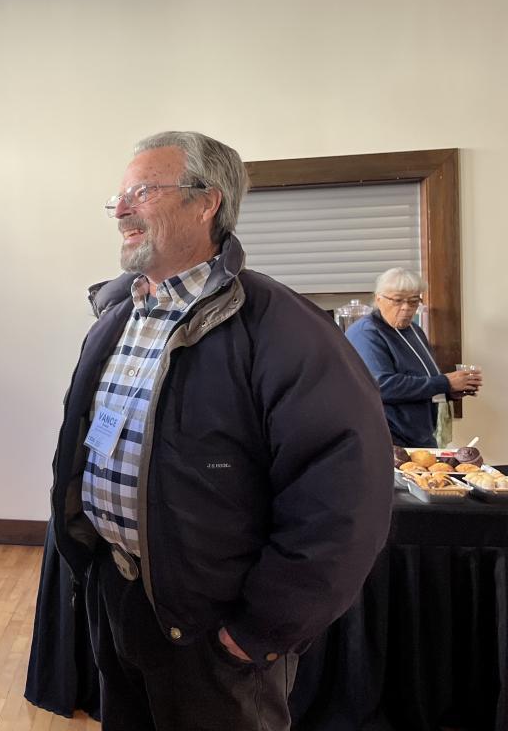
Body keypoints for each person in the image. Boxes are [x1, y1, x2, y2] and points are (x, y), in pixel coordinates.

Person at [47, 131, 393, 731]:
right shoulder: (115, 318)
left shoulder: (284, 329)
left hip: (216, 630)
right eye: (119, 196)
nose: (122, 209)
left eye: (143, 191)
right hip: (121, 598)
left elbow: (345, 497)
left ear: (206, 201)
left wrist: (260, 628)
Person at [345, 267, 482, 447]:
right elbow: (382, 386)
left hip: (419, 436)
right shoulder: (367, 333)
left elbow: (422, 379)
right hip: (387, 439)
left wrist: (448, 392)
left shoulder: (413, 330)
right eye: (398, 300)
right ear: (379, 299)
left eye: (413, 301)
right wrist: (444, 383)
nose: (406, 308)